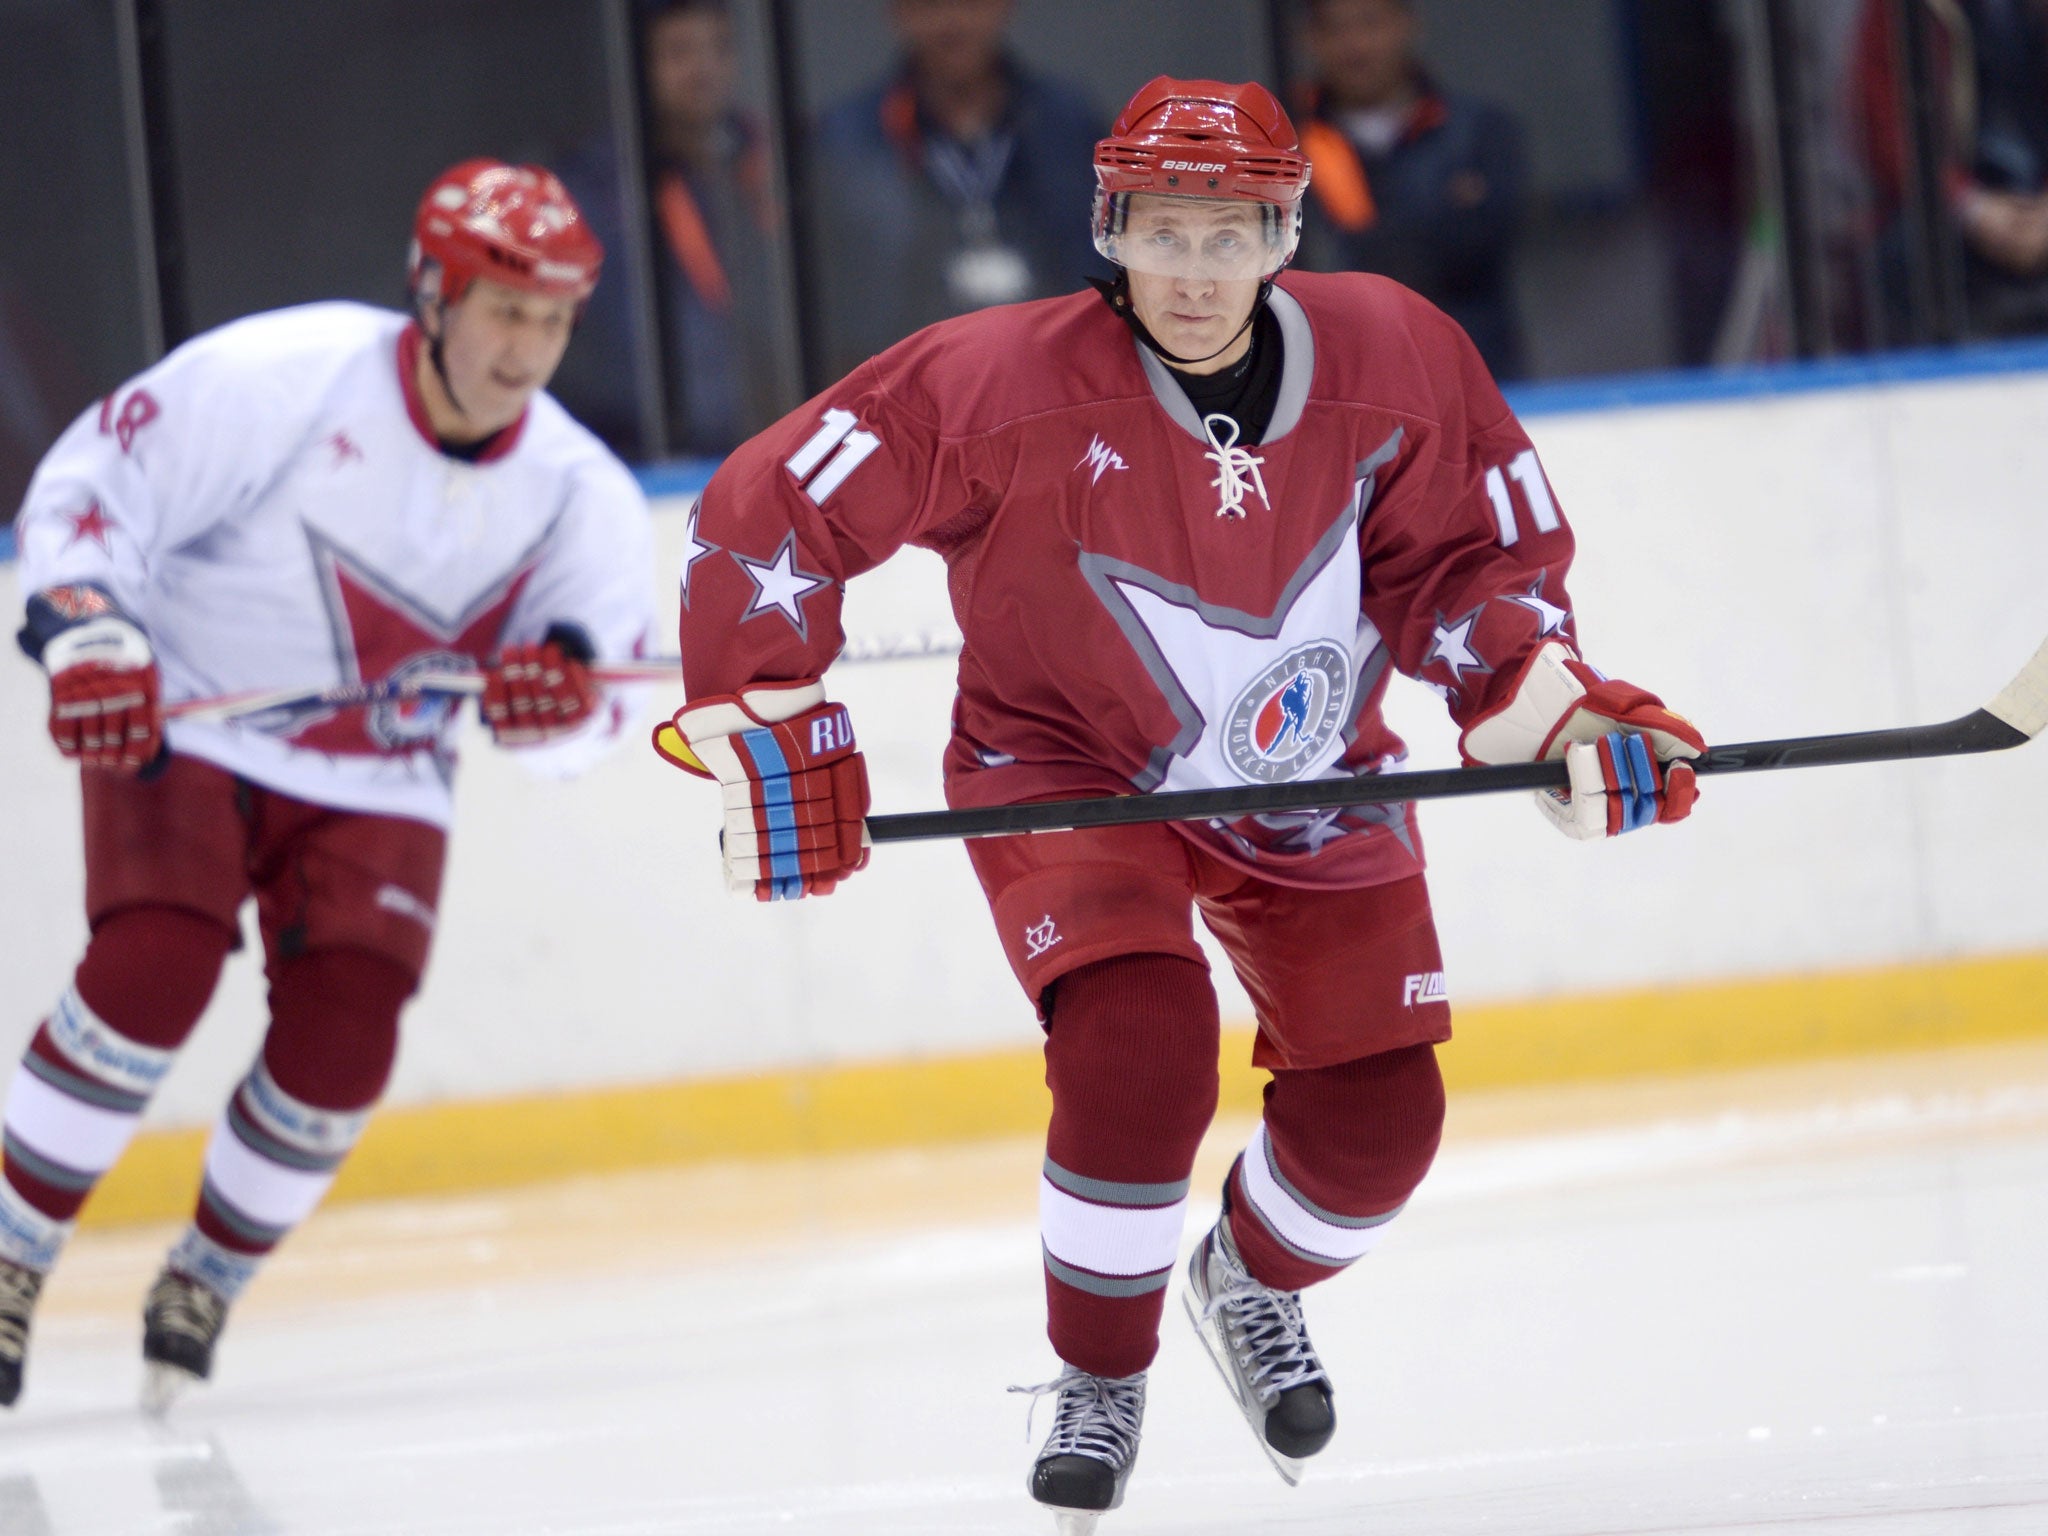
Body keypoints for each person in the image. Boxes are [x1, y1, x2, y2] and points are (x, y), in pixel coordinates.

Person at [653, 76, 1703, 1525]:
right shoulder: (993, 381)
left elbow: (1470, 575)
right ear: (1113, 228)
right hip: (1068, 761)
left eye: (1231, 233)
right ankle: (1100, 1375)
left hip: (1311, 765)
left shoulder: (1399, 355)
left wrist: (1558, 710)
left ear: (1284, 236)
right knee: (1139, 1052)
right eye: (1164, 230)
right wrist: (771, 724)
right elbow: (770, 509)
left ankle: (1244, 1283)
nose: (1194, 272)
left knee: (1382, 1127)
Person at [0, 160, 655, 1410]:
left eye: (555, 318)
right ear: (432, 292)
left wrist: (556, 705)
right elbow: (93, 488)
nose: (528, 349)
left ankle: (203, 1277)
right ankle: (10, 1256)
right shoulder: (278, 379)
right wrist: (91, 635)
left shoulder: (578, 492)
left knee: (344, 1040)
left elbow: (602, 701)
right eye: (505, 309)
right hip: (191, 712)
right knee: (153, 969)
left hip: (378, 772)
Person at [807, 0, 1105, 378]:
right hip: (906, 394)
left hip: (1056, 382)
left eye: (969, 4)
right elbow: (839, 306)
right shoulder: (847, 139)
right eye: (931, 6)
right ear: (897, 11)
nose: (952, 23)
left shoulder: (1068, 123)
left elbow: (1102, 273)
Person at [555, 0, 798, 457]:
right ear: (638, 65)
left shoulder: (772, 159)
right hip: (654, 454)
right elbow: (601, 356)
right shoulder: (597, 190)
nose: (703, 68)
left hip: (781, 438)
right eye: (679, 51)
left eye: (719, 48)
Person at [1293, 0, 1529, 379]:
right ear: (1309, 39)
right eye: (1336, 29)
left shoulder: (1480, 131)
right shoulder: (1286, 142)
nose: (1356, 45)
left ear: (1408, 25)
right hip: (1341, 381)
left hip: (1475, 376)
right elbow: (1296, 267)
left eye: (1371, 23)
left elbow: (1484, 242)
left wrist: (1364, 249)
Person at [1851, 0, 2048, 338]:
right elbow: (1884, 132)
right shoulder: (1897, 12)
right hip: (1951, 212)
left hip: (2036, 204)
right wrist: (1972, 206)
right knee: (1909, 253)